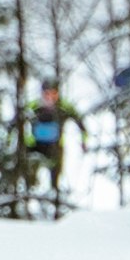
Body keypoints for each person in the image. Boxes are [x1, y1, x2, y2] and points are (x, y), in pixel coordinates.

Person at [23, 80, 84, 217]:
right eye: (47, 93)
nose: (50, 96)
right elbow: (18, 120)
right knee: (31, 175)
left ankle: (56, 207)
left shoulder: (64, 107)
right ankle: (28, 204)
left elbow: (80, 122)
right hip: (35, 146)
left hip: (55, 147)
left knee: (55, 178)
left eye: (53, 93)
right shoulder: (34, 106)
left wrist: (84, 141)